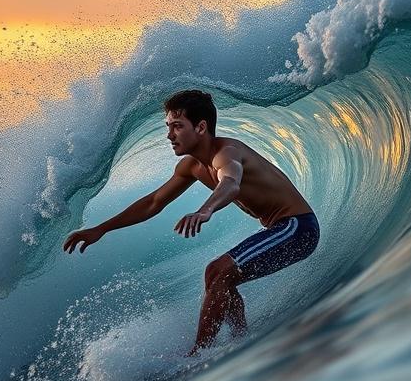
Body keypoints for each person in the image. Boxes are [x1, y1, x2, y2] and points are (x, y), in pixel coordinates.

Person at [63, 89, 320, 354]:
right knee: (221, 277)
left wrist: (205, 211)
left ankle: (198, 354)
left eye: (177, 126)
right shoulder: (192, 167)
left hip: (297, 228)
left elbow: (230, 183)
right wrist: (101, 229)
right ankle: (241, 341)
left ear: (200, 127)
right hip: (283, 229)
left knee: (217, 271)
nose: (169, 135)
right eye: (168, 127)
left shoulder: (227, 153)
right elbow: (154, 202)